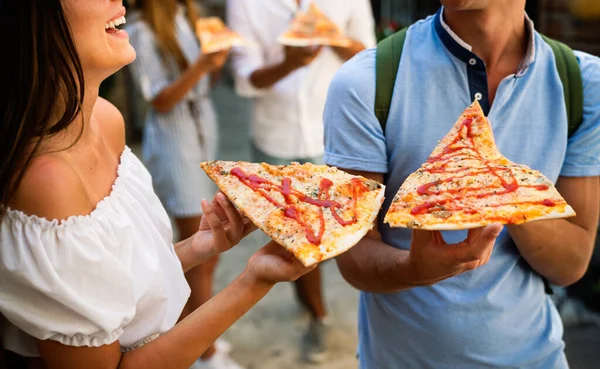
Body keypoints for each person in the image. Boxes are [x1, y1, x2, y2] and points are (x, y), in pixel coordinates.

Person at [0, 1, 315, 369]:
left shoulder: (107, 119)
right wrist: (253, 281)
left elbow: (120, 289)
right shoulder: (47, 183)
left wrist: (198, 248)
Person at [323, 0, 600, 368]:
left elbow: (571, 265)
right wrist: (412, 269)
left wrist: (501, 192)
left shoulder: (583, 84)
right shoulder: (365, 82)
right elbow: (353, 252)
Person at [226, 0, 377, 362]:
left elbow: (368, 57)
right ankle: (318, 317)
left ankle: (352, 313)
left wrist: (331, 36)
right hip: (276, 140)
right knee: (297, 245)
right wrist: (288, 63)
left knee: (352, 232)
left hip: (340, 136)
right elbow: (245, 80)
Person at [125, 1, 239, 367]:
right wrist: (203, 65)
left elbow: (202, 82)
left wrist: (214, 66)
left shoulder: (188, 15)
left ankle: (200, 338)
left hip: (203, 127)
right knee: (202, 250)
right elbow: (159, 100)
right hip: (175, 141)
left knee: (210, 250)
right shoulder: (141, 31)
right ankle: (205, 351)